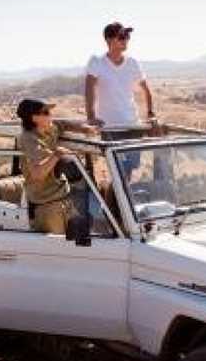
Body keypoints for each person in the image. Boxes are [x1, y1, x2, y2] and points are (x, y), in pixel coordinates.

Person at [16, 98, 95, 234]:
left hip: (64, 199)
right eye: (46, 112)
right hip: (47, 206)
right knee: (57, 250)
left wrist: (84, 129)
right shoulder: (29, 139)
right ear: (34, 118)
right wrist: (56, 155)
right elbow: (37, 174)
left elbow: (63, 124)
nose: (50, 115)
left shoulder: (49, 128)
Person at [85, 21, 156, 133]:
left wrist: (151, 113)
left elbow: (146, 90)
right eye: (121, 37)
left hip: (133, 126)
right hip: (109, 128)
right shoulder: (97, 62)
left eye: (127, 36)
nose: (125, 40)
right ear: (109, 40)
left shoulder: (133, 63)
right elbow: (89, 90)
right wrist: (91, 117)